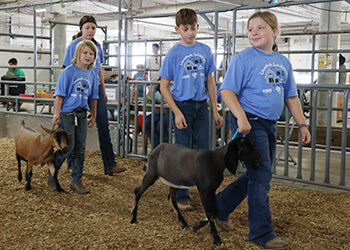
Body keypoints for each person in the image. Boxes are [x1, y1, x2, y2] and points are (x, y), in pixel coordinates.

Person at [215, 11, 311, 249]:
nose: (254, 32)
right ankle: (262, 233)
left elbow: (291, 96)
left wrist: (302, 124)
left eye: (260, 28)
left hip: (268, 123)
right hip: (249, 121)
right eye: (250, 29)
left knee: (256, 175)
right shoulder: (243, 59)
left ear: (274, 32)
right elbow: (227, 91)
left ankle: (219, 208)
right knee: (261, 177)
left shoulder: (283, 62)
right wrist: (240, 118)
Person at [159, 8, 223, 211]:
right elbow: (163, 85)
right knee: (183, 151)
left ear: (197, 27)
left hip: (201, 106)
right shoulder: (174, 53)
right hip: (183, 106)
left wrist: (215, 109)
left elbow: (210, 81)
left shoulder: (205, 50)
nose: (190, 33)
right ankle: (180, 195)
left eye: (193, 28)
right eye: (185, 29)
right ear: (177, 29)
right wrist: (176, 112)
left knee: (203, 150)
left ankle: (203, 189)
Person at [62, 15, 126, 176]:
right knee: (74, 128)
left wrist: (103, 91)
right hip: (78, 91)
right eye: (87, 27)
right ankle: (71, 164)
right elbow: (66, 69)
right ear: (81, 29)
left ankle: (109, 164)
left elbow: (99, 69)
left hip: (94, 88)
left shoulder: (96, 46)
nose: (90, 31)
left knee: (103, 124)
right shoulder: (74, 46)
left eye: (93, 28)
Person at [51, 40, 99, 194]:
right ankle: (52, 173)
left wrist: (94, 114)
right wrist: (56, 114)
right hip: (67, 113)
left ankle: (76, 180)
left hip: (82, 114)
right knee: (68, 146)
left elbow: (93, 97)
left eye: (91, 54)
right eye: (85, 52)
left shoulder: (92, 74)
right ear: (78, 54)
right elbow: (59, 95)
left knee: (80, 147)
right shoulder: (68, 72)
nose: (88, 56)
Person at [337, 54, 346, 123]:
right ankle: (342, 118)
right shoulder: (344, 67)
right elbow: (345, 78)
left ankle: (337, 119)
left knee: (337, 105)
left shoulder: (337, 67)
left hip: (336, 87)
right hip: (342, 86)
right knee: (342, 104)